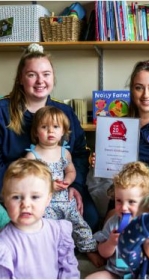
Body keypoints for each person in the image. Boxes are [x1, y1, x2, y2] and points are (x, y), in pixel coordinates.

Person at [0, 43, 99, 232]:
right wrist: (26, 191)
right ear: (21, 78)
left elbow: (78, 153)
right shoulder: (2, 112)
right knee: (13, 226)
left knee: (91, 221)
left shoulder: (65, 112)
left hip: (62, 189)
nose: (40, 81)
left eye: (46, 74)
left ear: (53, 78)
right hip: (18, 191)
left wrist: (75, 185)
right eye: (32, 75)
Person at [88, 60, 149, 220]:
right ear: (132, 91)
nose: (146, 95)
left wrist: (148, 190)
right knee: (112, 229)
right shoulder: (118, 125)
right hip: (125, 200)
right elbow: (114, 171)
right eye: (139, 87)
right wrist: (101, 162)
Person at [25, 106, 104, 267]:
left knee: (79, 223)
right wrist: (48, 185)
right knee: (48, 229)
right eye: (44, 127)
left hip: (65, 199)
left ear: (63, 131)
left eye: (55, 127)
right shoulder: (32, 156)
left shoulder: (64, 153)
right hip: (45, 203)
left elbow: (71, 170)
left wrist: (68, 181)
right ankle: (51, 255)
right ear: (36, 131)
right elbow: (28, 181)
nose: (50, 131)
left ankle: (88, 248)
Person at [0, 158, 80, 278]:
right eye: (16, 197)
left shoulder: (58, 231)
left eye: (35, 197)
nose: (26, 204)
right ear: (5, 200)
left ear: (48, 199)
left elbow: (69, 268)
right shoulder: (5, 243)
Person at [86, 161, 149, 279]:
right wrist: (111, 243)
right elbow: (103, 253)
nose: (123, 207)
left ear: (146, 202)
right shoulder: (113, 223)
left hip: (141, 274)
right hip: (114, 273)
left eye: (131, 202)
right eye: (118, 200)